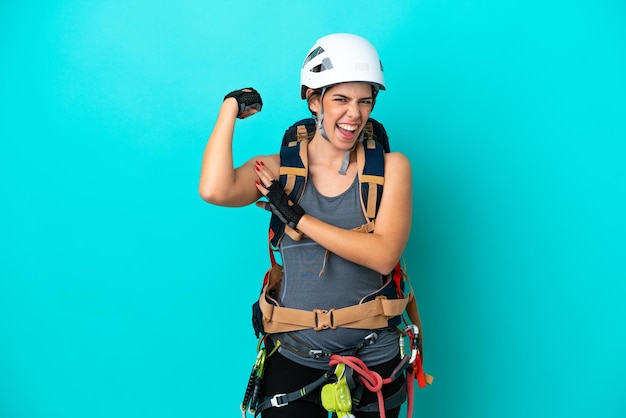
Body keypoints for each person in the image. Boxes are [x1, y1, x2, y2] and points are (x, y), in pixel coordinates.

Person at [199, 33, 414, 418]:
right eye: (341, 100)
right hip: (296, 353)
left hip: (375, 356)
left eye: (365, 101)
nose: (354, 114)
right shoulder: (282, 170)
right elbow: (215, 190)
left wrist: (298, 218)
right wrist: (228, 109)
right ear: (314, 100)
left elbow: (383, 256)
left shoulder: (391, 168)